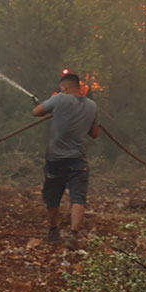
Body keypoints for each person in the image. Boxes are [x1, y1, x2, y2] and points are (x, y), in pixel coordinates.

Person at [31, 68, 101, 243]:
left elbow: (36, 112)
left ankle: (53, 230)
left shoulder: (59, 98)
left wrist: (51, 105)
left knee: (52, 196)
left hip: (55, 160)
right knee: (78, 197)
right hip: (78, 160)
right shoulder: (92, 106)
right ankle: (74, 234)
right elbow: (94, 133)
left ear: (65, 88)